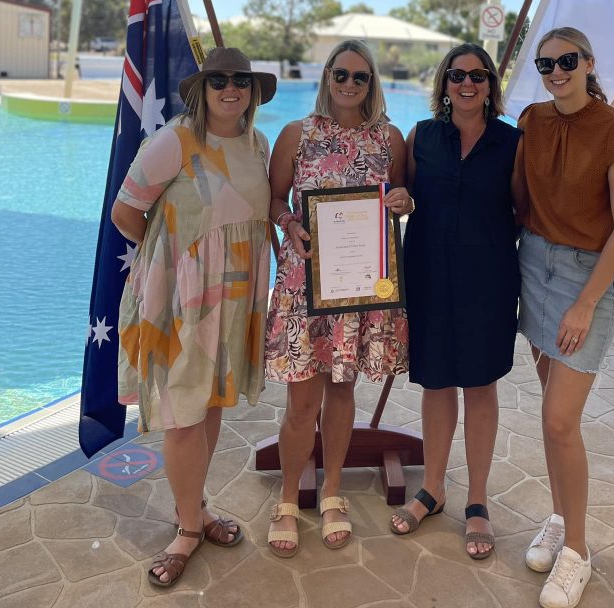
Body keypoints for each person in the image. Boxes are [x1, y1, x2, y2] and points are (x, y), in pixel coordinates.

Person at [112, 47, 277, 589]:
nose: (231, 90)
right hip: (187, 302)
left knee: (208, 406)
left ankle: (197, 510)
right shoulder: (176, 141)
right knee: (184, 413)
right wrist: (171, 262)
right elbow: (125, 211)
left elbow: (258, 214)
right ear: (202, 91)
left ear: (253, 92)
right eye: (219, 81)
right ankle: (187, 529)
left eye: (241, 82)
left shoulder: (257, 144)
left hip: (234, 302)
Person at [265, 39, 411, 557]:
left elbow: (403, 198)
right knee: (302, 400)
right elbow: (273, 198)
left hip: (359, 289)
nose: (349, 85)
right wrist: (288, 225)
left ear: (372, 84)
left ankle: (331, 494)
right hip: (306, 286)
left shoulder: (389, 139)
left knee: (343, 392)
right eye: (341, 74)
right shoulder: (295, 135)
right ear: (327, 76)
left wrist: (403, 199)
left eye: (361, 77)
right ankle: (286, 499)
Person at [512, 27, 614, 608]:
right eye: (546, 63)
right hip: (534, 263)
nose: (556, 71)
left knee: (562, 421)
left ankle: (578, 553)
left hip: (586, 277)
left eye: (567, 61)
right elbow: (515, 196)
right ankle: (561, 520)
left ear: (589, 62)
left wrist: (586, 301)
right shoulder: (532, 121)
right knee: (549, 414)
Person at [389, 43, 521, 560]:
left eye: (478, 75)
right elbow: (402, 194)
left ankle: (479, 501)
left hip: (488, 280)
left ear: (491, 86)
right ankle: (434, 488)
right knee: (437, 381)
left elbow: (525, 210)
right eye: (457, 75)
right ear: (444, 84)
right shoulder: (421, 136)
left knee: (480, 384)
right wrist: (398, 201)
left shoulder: (513, 143)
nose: (467, 83)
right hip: (428, 275)